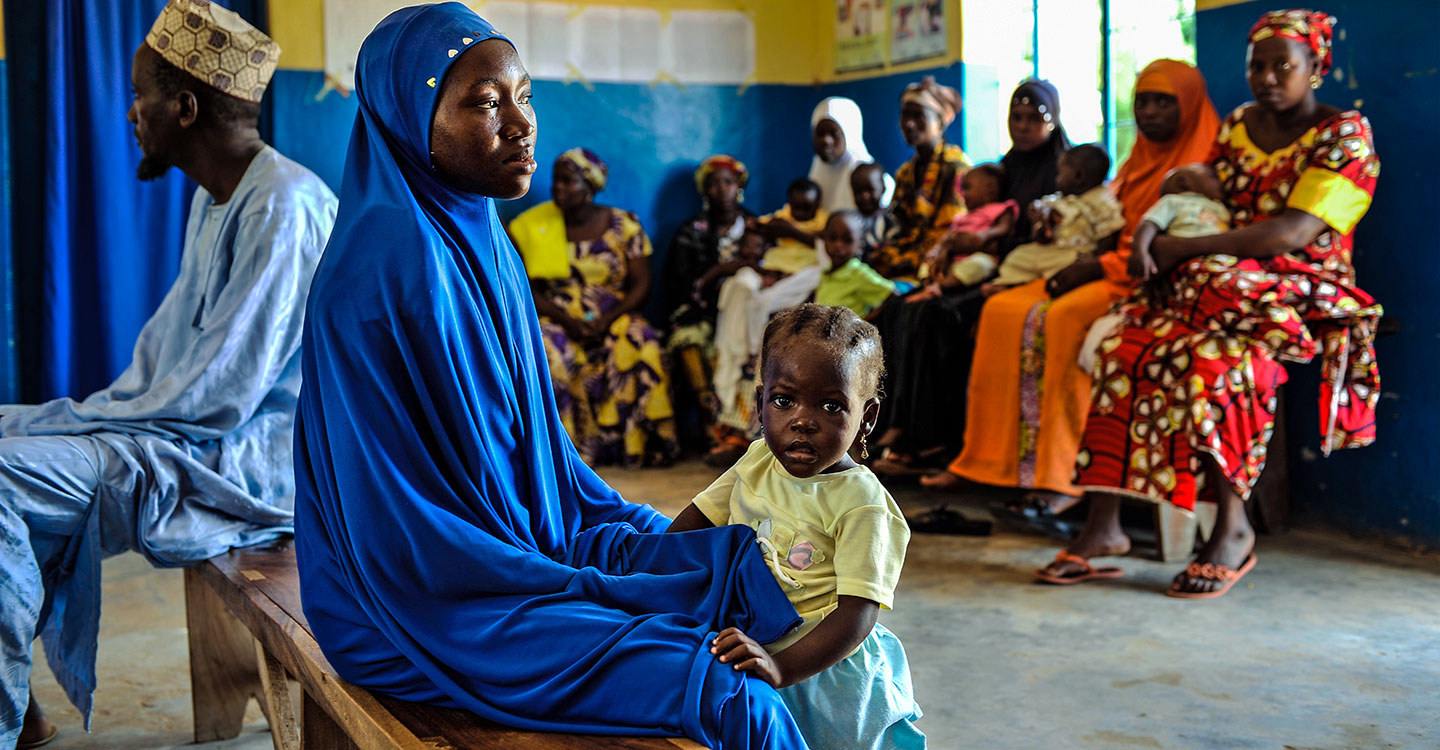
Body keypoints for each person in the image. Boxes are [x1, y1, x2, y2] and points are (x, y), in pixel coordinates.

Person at [292, 6, 809, 748]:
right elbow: (402, 531)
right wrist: (570, 582)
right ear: (407, 116)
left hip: (514, 542)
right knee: (731, 687)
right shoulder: (381, 266)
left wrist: (623, 545)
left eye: (524, 95)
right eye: (483, 101)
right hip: (423, 598)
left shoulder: (480, 232)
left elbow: (541, 461)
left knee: (751, 578)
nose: (521, 122)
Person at [1, 2, 337, 746]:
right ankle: (20, 711)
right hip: (182, 432)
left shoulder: (284, 205)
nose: (132, 114)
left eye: (140, 96)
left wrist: (89, 420)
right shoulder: (217, 202)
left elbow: (222, 395)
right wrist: (80, 415)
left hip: (241, 461)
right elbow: (175, 369)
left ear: (184, 107)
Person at [1038, 10, 1381, 598]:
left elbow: (1291, 234)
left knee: (1213, 356)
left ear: (1316, 68)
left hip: (1299, 282)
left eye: (1283, 65)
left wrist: (1177, 251)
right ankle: (1105, 528)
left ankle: (1232, 530)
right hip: (1221, 282)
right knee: (1125, 349)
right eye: (1257, 65)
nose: (1267, 76)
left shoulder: (1344, 136)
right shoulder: (1241, 125)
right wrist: (1157, 235)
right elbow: (1208, 189)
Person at [925, 62, 1220, 536]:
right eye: (1142, 100)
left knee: (1058, 320)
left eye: (1164, 101)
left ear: (1189, 105)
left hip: (1147, 281)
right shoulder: (1135, 162)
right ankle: (990, 459)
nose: (1148, 111)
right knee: (1001, 310)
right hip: (1106, 267)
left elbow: (1173, 236)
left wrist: (1093, 265)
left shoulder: (1204, 162)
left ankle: (1061, 477)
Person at [668, 303, 924, 750]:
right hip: (754, 643)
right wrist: (642, 579)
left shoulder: (862, 504)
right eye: (783, 401)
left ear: (866, 417)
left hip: (821, 671)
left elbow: (856, 615)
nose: (802, 421)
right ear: (761, 400)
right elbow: (692, 526)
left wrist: (781, 667)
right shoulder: (758, 459)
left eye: (831, 405)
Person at [509, 148, 678, 468]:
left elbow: (642, 284)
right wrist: (568, 321)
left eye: (567, 181)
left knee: (643, 343)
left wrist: (605, 320)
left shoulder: (624, 226)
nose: (557, 188)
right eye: (556, 181)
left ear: (590, 185)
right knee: (545, 348)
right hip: (554, 314)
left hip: (614, 313)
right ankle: (565, 453)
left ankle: (647, 445)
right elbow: (525, 288)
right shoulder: (530, 226)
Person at [662, 155, 754, 451]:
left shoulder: (757, 227)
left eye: (727, 182)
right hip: (700, 313)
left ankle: (742, 428)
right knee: (689, 339)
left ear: (738, 186)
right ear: (704, 191)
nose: (721, 190)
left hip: (745, 313)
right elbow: (677, 284)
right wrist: (717, 274)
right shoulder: (691, 231)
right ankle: (711, 421)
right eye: (712, 184)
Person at [981, 145, 1123, 295]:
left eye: (1060, 174)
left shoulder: (1102, 202)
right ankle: (1007, 283)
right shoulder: (1062, 196)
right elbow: (1041, 206)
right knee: (1017, 257)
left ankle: (1040, 283)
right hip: (1049, 249)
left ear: (1078, 177)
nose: (1056, 179)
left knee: (1065, 265)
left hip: (1076, 255)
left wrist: (1096, 263)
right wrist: (1039, 217)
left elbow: (1109, 231)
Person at [871, 76, 969, 282]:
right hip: (909, 252)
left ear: (940, 121)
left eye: (918, 116)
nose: (909, 123)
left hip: (941, 255)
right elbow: (896, 224)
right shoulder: (905, 173)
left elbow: (952, 229)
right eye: (904, 115)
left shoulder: (956, 166)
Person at [910, 163, 1019, 299]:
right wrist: (937, 251)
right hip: (953, 261)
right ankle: (928, 286)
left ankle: (940, 286)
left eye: (967, 188)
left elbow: (1004, 228)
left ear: (990, 188)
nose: (963, 195)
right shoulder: (964, 217)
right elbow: (949, 236)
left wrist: (984, 235)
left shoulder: (1000, 208)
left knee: (981, 264)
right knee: (929, 261)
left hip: (978, 255)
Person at [809, 97, 895, 213]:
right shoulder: (818, 168)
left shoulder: (873, 181)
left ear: (849, 134)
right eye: (820, 133)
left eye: (834, 133)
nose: (826, 141)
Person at [815, 212, 897, 317]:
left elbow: (892, 295)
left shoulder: (859, 273)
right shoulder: (826, 272)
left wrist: (866, 322)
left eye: (847, 240)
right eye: (832, 238)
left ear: (860, 246)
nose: (838, 245)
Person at [752, 178, 829, 275]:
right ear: (790, 203)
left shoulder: (823, 219)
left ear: (817, 205)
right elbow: (764, 222)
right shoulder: (784, 215)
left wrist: (791, 231)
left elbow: (823, 241)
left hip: (807, 259)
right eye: (797, 207)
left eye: (806, 208)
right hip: (782, 256)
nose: (801, 213)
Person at [851, 163, 900, 265]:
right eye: (858, 191)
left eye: (870, 189)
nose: (865, 196)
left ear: (883, 188)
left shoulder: (891, 220)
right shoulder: (849, 222)